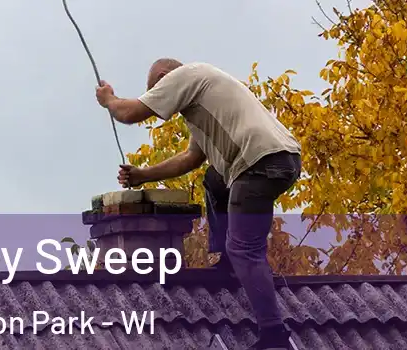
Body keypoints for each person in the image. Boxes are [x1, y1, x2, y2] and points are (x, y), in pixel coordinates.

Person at [94, 58, 302, 350]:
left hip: (259, 163)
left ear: (165, 77)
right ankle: (229, 265)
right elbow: (190, 159)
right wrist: (143, 175)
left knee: (245, 248)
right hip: (280, 159)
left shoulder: (187, 75)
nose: (163, 100)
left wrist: (109, 100)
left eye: (158, 90)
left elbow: (131, 113)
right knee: (216, 178)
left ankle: (273, 335)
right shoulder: (202, 102)